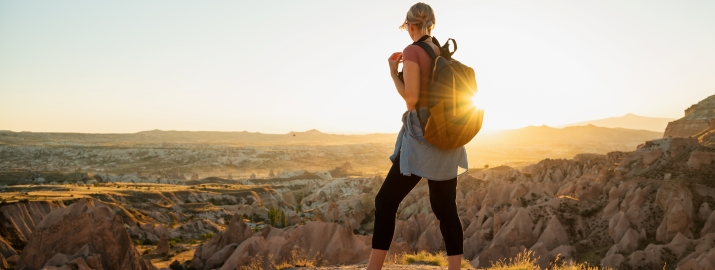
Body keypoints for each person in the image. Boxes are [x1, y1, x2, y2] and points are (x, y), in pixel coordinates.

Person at [366, 2, 469, 270]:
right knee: (446, 210)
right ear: (431, 25)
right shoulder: (441, 52)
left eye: (408, 28)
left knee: (385, 202)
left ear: (411, 26)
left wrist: (392, 73)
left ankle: (373, 269)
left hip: (421, 138)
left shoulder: (413, 51)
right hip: (447, 137)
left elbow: (411, 100)